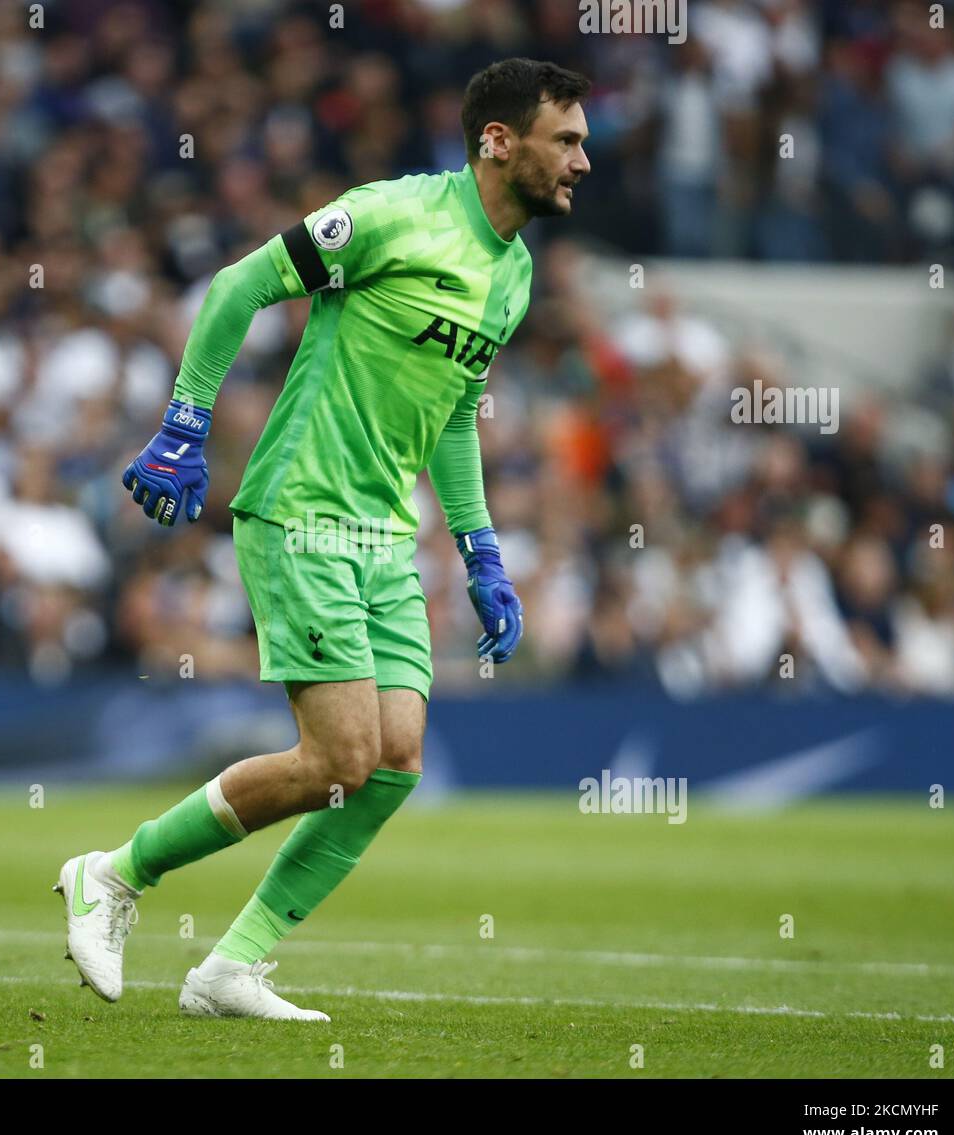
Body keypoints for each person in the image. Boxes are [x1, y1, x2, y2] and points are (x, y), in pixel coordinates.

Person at [55, 58, 592, 1020]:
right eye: (567, 140)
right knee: (337, 760)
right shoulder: (392, 214)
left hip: (387, 536)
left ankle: (232, 967)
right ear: (498, 141)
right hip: (302, 512)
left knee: (392, 765)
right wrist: (185, 422)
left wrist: (482, 553)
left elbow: (458, 416)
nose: (582, 162)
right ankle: (114, 873)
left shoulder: (512, 276)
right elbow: (237, 285)